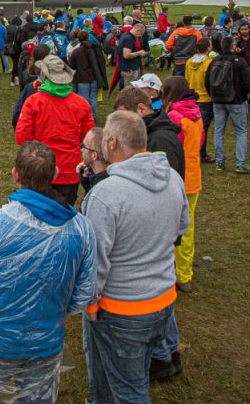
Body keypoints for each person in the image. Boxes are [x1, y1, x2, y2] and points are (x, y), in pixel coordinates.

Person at [0, 141, 97, 403]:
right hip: (45, 343)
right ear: (56, 174)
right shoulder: (81, 228)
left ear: (15, 174)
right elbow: (84, 292)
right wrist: (50, 311)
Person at [81, 111, 190, 403]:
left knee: (130, 391)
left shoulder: (106, 195)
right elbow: (181, 228)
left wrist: (90, 304)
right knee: (125, 376)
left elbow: (95, 261)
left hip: (122, 310)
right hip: (163, 300)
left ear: (113, 143)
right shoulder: (173, 178)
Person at [15, 55, 94, 206]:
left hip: (38, 168)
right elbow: (88, 140)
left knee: (35, 216)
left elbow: (22, 137)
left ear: (44, 75)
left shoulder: (34, 102)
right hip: (69, 171)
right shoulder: (81, 104)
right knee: (63, 215)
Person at [161, 76, 203, 294]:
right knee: (189, 225)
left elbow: (172, 147)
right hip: (194, 176)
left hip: (178, 175)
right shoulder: (196, 114)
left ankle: (173, 271)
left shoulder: (174, 117)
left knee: (172, 226)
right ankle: (184, 273)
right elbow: (201, 141)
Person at [207, 36, 250, 173]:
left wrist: (213, 95)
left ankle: (219, 162)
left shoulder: (214, 61)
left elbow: (207, 81)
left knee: (218, 130)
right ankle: (240, 163)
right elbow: (247, 82)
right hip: (236, 100)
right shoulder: (240, 62)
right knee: (240, 131)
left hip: (218, 100)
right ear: (233, 47)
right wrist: (244, 96)